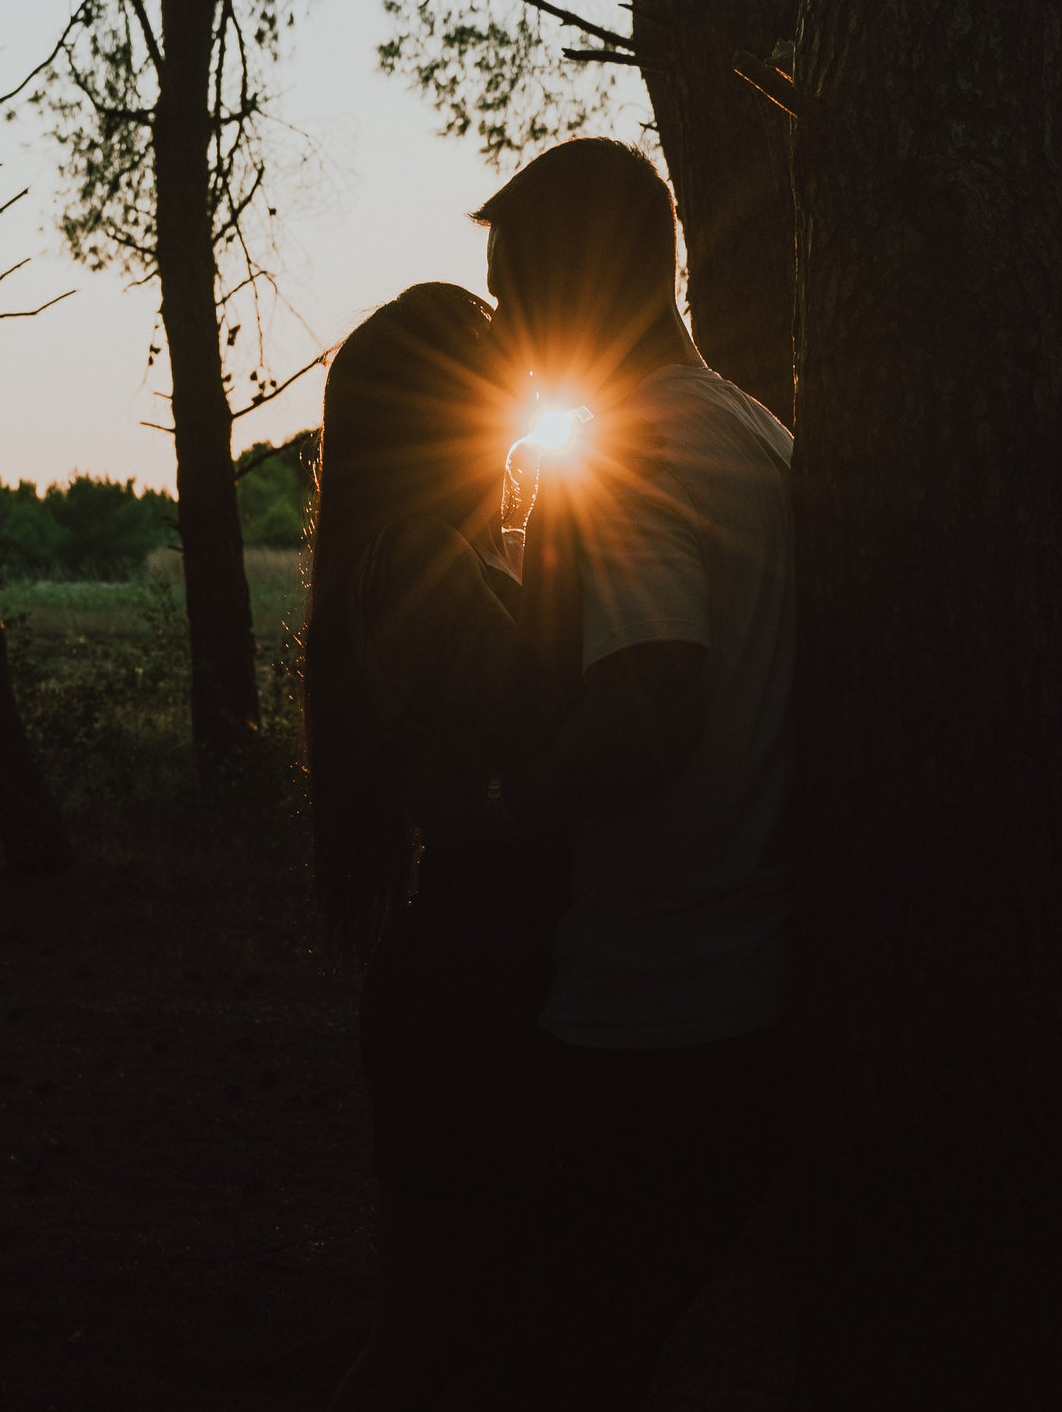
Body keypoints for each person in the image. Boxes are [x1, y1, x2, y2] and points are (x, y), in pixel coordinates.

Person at [481, 138, 798, 1407]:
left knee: (570, 1356)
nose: (503, 323)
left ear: (570, 280)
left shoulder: (621, 450)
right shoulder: (752, 428)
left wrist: (502, 813)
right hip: (749, 978)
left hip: (645, 1007)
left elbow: (650, 712)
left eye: (511, 289)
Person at [311, 283, 570, 1410]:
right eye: (488, 358)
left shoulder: (435, 546)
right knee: (432, 1337)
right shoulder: (416, 551)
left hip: (478, 962)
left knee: (474, 1329)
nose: (519, 370)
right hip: (468, 976)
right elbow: (543, 710)